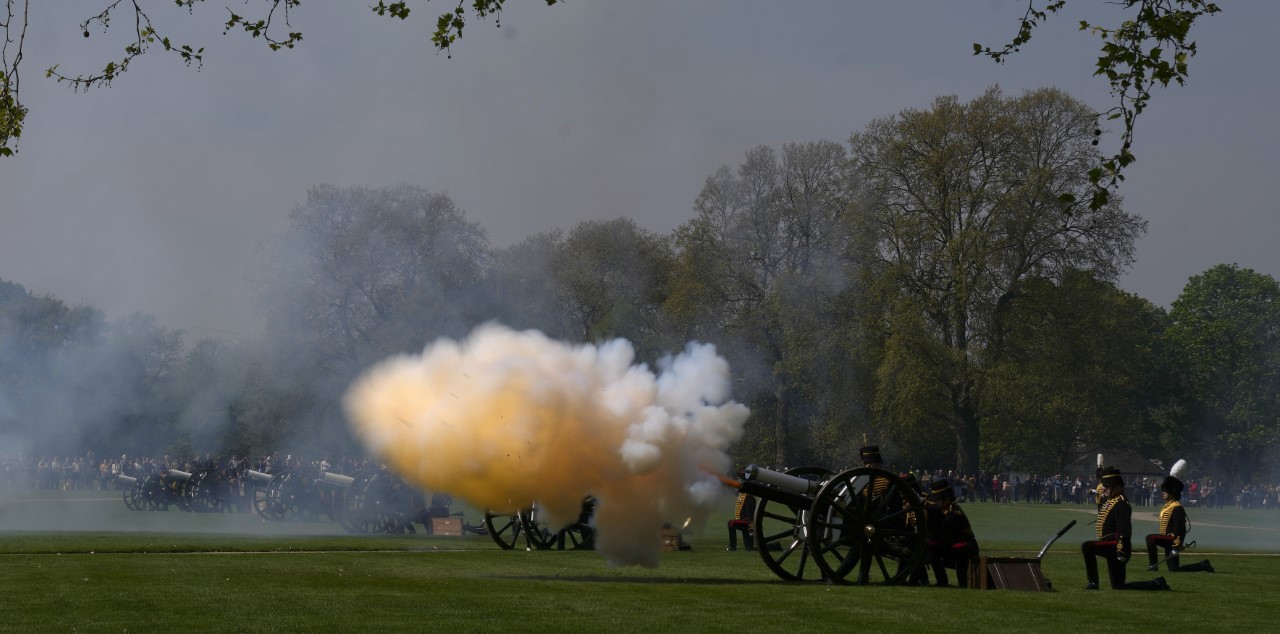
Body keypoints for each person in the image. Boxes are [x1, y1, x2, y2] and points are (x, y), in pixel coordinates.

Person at [1082, 467, 1170, 590]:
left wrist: (1120, 548)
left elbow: (1124, 529)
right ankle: (1156, 584)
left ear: (1116, 487)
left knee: (1088, 546)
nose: (1105, 489)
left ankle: (1093, 583)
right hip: (1109, 544)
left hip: (1116, 544)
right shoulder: (1111, 501)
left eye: (1107, 487)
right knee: (1119, 586)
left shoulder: (1121, 503)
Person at [1146, 459, 1214, 573]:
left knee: (1150, 538)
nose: (1162, 493)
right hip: (1167, 539)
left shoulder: (1177, 507)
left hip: (1172, 539)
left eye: (1165, 491)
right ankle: (1203, 565)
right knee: (1174, 569)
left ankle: (1153, 565)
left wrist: (1176, 546)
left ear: (1172, 492)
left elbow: (1180, 529)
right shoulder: (1167, 506)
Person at [923, 479, 980, 587]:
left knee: (935, 548)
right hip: (952, 545)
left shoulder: (953, 512)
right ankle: (942, 581)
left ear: (946, 498)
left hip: (966, 547)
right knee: (931, 548)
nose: (935, 502)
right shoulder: (943, 511)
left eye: (938, 499)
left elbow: (943, 530)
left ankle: (962, 583)